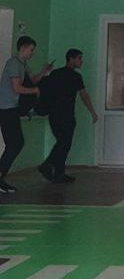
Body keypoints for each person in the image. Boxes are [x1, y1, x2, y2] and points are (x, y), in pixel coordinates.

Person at [0, 36, 53, 193]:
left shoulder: (23, 64)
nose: (32, 53)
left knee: (15, 144)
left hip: (12, 109)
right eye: (31, 49)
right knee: (15, 144)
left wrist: (44, 71)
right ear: (23, 48)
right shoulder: (13, 63)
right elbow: (17, 88)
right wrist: (34, 91)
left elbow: (33, 80)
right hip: (6, 108)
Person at [37, 49, 98, 184]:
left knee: (63, 143)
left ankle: (59, 173)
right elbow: (84, 96)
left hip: (53, 115)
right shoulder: (76, 77)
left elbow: (44, 88)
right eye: (79, 58)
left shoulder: (55, 73)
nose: (81, 61)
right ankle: (47, 165)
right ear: (71, 59)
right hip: (67, 115)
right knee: (64, 143)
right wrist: (92, 111)